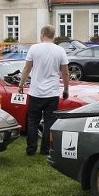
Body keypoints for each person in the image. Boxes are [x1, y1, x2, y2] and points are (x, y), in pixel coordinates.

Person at [18, 25, 70, 156]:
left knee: (32, 121)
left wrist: (21, 85)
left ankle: (31, 149)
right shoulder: (60, 50)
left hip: (35, 92)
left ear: (42, 34)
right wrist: (66, 89)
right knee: (49, 121)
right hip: (52, 92)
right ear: (53, 35)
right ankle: (45, 149)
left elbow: (27, 68)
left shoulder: (34, 48)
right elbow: (65, 73)